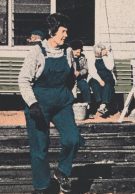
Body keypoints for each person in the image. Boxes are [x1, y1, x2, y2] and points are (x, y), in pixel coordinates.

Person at [18, 13, 84, 194]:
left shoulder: (68, 51)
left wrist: (70, 95)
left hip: (62, 102)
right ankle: (42, 187)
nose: (66, 35)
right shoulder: (37, 52)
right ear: (52, 31)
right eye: (63, 31)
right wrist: (32, 104)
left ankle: (62, 171)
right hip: (39, 104)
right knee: (40, 148)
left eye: (67, 31)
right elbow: (23, 80)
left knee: (73, 138)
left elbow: (71, 77)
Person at [88, 42, 115, 116]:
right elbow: (92, 72)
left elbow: (110, 67)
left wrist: (108, 54)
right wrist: (100, 80)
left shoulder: (106, 56)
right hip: (96, 77)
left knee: (108, 84)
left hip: (107, 76)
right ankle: (100, 104)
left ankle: (103, 105)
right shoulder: (91, 57)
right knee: (94, 83)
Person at [69, 39, 93, 119]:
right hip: (70, 78)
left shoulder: (82, 57)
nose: (78, 54)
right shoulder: (68, 57)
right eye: (77, 52)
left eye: (79, 52)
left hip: (79, 78)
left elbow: (86, 69)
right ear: (73, 50)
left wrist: (80, 72)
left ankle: (88, 109)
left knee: (85, 87)